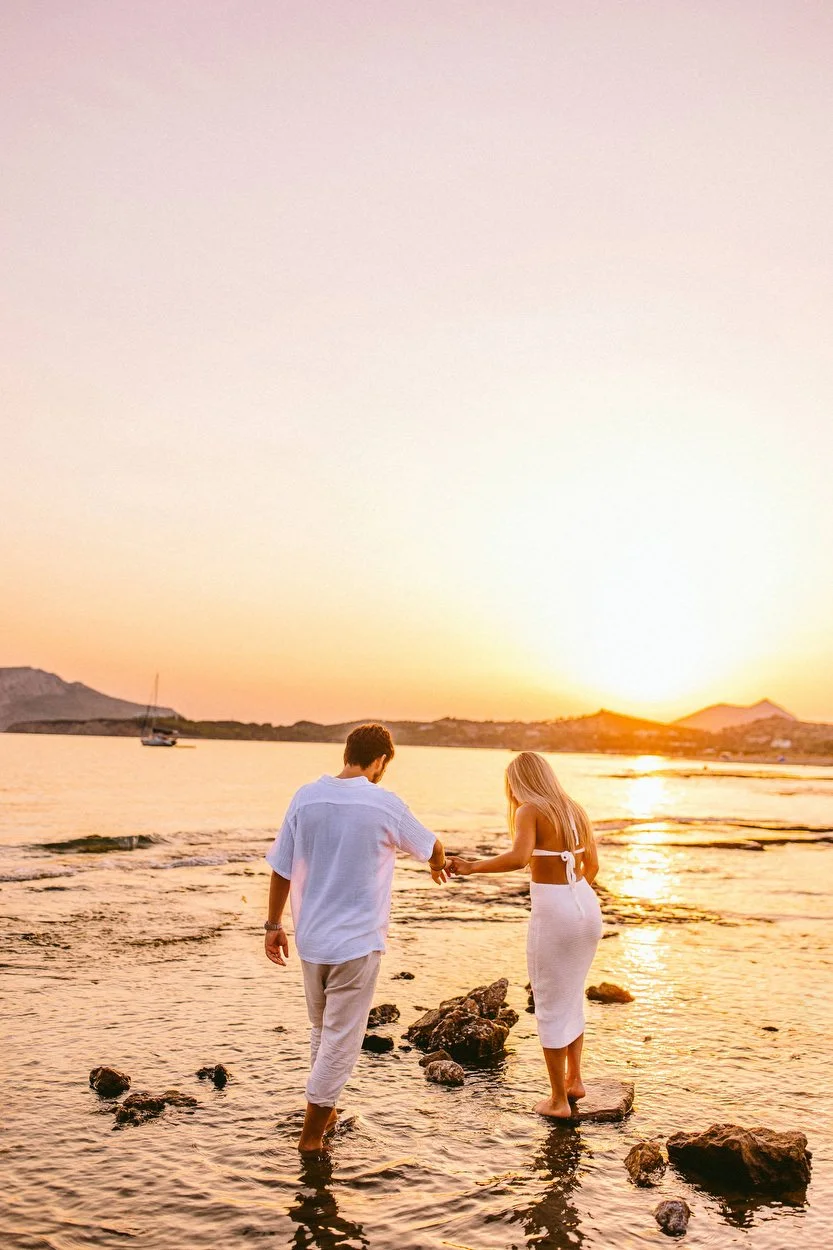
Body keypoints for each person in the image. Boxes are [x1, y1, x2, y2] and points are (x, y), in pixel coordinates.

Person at [264, 722, 447, 1152]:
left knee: (321, 1030)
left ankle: (323, 1116)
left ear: (348, 752)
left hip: (312, 940)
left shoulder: (305, 797)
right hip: (357, 943)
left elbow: (282, 867)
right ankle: (311, 1138)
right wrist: (436, 862)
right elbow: (432, 845)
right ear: (380, 760)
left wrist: (273, 926)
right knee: (342, 1041)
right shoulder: (384, 803)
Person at [448, 752, 601, 1120]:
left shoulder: (529, 810)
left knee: (548, 1000)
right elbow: (591, 865)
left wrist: (470, 867)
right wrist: (572, 896)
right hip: (586, 908)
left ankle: (558, 1101)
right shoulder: (574, 808)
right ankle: (575, 1081)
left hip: (555, 916)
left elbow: (519, 858)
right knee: (572, 995)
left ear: (518, 782)